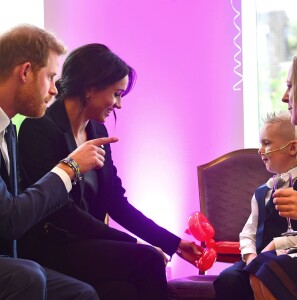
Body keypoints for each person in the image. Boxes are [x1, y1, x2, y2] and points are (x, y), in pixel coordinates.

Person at [16, 43, 201, 300]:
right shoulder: (38, 129)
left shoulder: (98, 132)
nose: (119, 104)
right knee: (149, 259)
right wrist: (132, 243)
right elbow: (60, 212)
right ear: (90, 89)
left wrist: (173, 243)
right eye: (116, 94)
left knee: (122, 291)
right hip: (52, 245)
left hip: (87, 244)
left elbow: (116, 203)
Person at [0, 24, 122, 300]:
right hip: (15, 261)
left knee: (82, 293)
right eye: (51, 77)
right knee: (27, 276)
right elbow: (10, 220)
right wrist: (69, 168)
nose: (56, 90)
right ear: (26, 72)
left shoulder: (8, 131)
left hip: (11, 257)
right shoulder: (32, 129)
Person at [213, 111, 297, 300]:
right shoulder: (262, 191)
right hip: (258, 259)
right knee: (228, 279)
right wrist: (250, 257)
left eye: (266, 143)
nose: (260, 150)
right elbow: (248, 232)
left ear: (292, 148)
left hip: (288, 257)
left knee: (271, 273)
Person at [244, 55, 297, 300]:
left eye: (290, 86)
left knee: (270, 268)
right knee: (260, 268)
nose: (284, 96)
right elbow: (248, 232)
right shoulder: (263, 190)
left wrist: (277, 245)